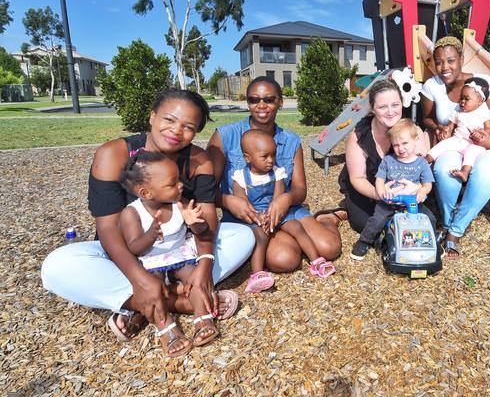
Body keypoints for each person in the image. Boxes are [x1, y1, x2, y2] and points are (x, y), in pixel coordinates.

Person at [41, 89, 255, 344]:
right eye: (169, 120)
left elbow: (207, 221)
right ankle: (175, 300)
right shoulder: (113, 154)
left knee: (242, 235)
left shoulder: (199, 160)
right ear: (152, 117)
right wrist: (140, 279)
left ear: (196, 131)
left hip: (179, 253)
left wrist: (204, 267)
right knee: (57, 265)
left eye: (188, 126)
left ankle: (144, 305)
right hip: (125, 255)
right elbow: (108, 228)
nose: (176, 131)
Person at [209, 77, 341, 273]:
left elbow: (300, 189)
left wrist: (286, 199)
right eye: (254, 99)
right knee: (285, 260)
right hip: (246, 216)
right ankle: (286, 240)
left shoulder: (291, 140)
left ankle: (327, 219)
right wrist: (228, 201)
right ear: (247, 102)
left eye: (269, 99)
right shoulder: (226, 135)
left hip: (285, 210)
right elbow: (205, 189)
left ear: (280, 102)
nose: (261, 105)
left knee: (330, 248)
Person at [119, 151, 218, 357]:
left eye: (179, 180)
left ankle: (203, 318)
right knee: (153, 292)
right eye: (172, 184)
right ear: (147, 193)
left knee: (195, 279)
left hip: (179, 255)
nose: (180, 186)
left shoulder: (179, 203)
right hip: (151, 261)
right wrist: (150, 235)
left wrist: (195, 224)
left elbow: (201, 233)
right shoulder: (132, 213)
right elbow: (134, 247)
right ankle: (167, 329)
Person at [420, 36, 490, 258]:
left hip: (486, 144)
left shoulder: (482, 83)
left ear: (461, 59)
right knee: (443, 171)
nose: (444, 67)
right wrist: (439, 128)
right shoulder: (432, 85)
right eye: (439, 62)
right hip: (455, 141)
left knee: (486, 174)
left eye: (450, 60)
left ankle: (455, 231)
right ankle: (449, 222)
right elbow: (427, 119)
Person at [233, 129, 336, 291]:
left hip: (277, 211)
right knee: (260, 236)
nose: (271, 160)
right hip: (256, 216)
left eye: (273, 155)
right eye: (265, 156)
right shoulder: (240, 177)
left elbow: (278, 198)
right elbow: (242, 202)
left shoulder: (277, 172)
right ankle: (257, 273)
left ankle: (316, 261)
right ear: (248, 157)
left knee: (296, 226)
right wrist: (259, 217)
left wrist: (272, 215)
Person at [337, 79, 430, 236]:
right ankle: (345, 208)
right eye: (382, 107)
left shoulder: (412, 130)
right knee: (366, 223)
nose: (390, 111)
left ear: (402, 104)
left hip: (401, 190)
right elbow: (358, 177)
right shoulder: (360, 133)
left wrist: (417, 189)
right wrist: (379, 194)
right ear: (372, 108)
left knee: (422, 220)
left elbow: (422, 170)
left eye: (395, 105)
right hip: (368, 187)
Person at [350, 118, 435, 260]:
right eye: (396, 145)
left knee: (430, 219)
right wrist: (382, 192)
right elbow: (380, 179)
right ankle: (364, 241)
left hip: (413, 203)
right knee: (376, 220)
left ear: (415, 140)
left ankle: (431, 243)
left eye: (405, 143)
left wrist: (421, 191)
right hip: (390, 202)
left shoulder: (422, 163)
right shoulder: (388, 161)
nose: (400, 148)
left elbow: (428, 184)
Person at [424, 77, 490, 183]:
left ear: (480, 101)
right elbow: (451, 125)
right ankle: (426, 160)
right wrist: (446, 130)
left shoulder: (484, 111)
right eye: (461, 98)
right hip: (457, 139)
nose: (462, 102)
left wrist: (483, 134)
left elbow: (489, 128)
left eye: (467, 99)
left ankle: (464, 172)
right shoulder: (458, 109)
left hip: (474, 143)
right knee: (443, 144)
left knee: (472, 153)